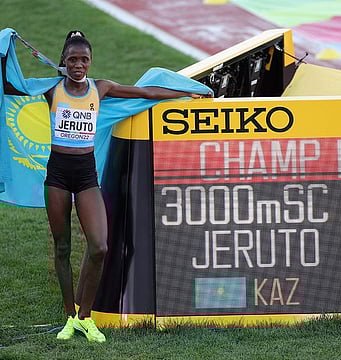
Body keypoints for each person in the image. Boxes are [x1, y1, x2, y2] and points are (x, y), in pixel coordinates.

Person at [3, 30, 212, 343]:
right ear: (63, 61)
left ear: (90, 62)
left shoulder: (101, 88)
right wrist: (5, 43)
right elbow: (11, 86)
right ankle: (70, 317)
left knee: (100, 246)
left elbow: (144, 93)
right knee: (62, 248)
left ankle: (86, 317)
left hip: (87, 175)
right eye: (72, 59)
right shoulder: (52, 88)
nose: (78, 64)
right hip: (57, 175)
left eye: (84, 59)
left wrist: (183, 95)